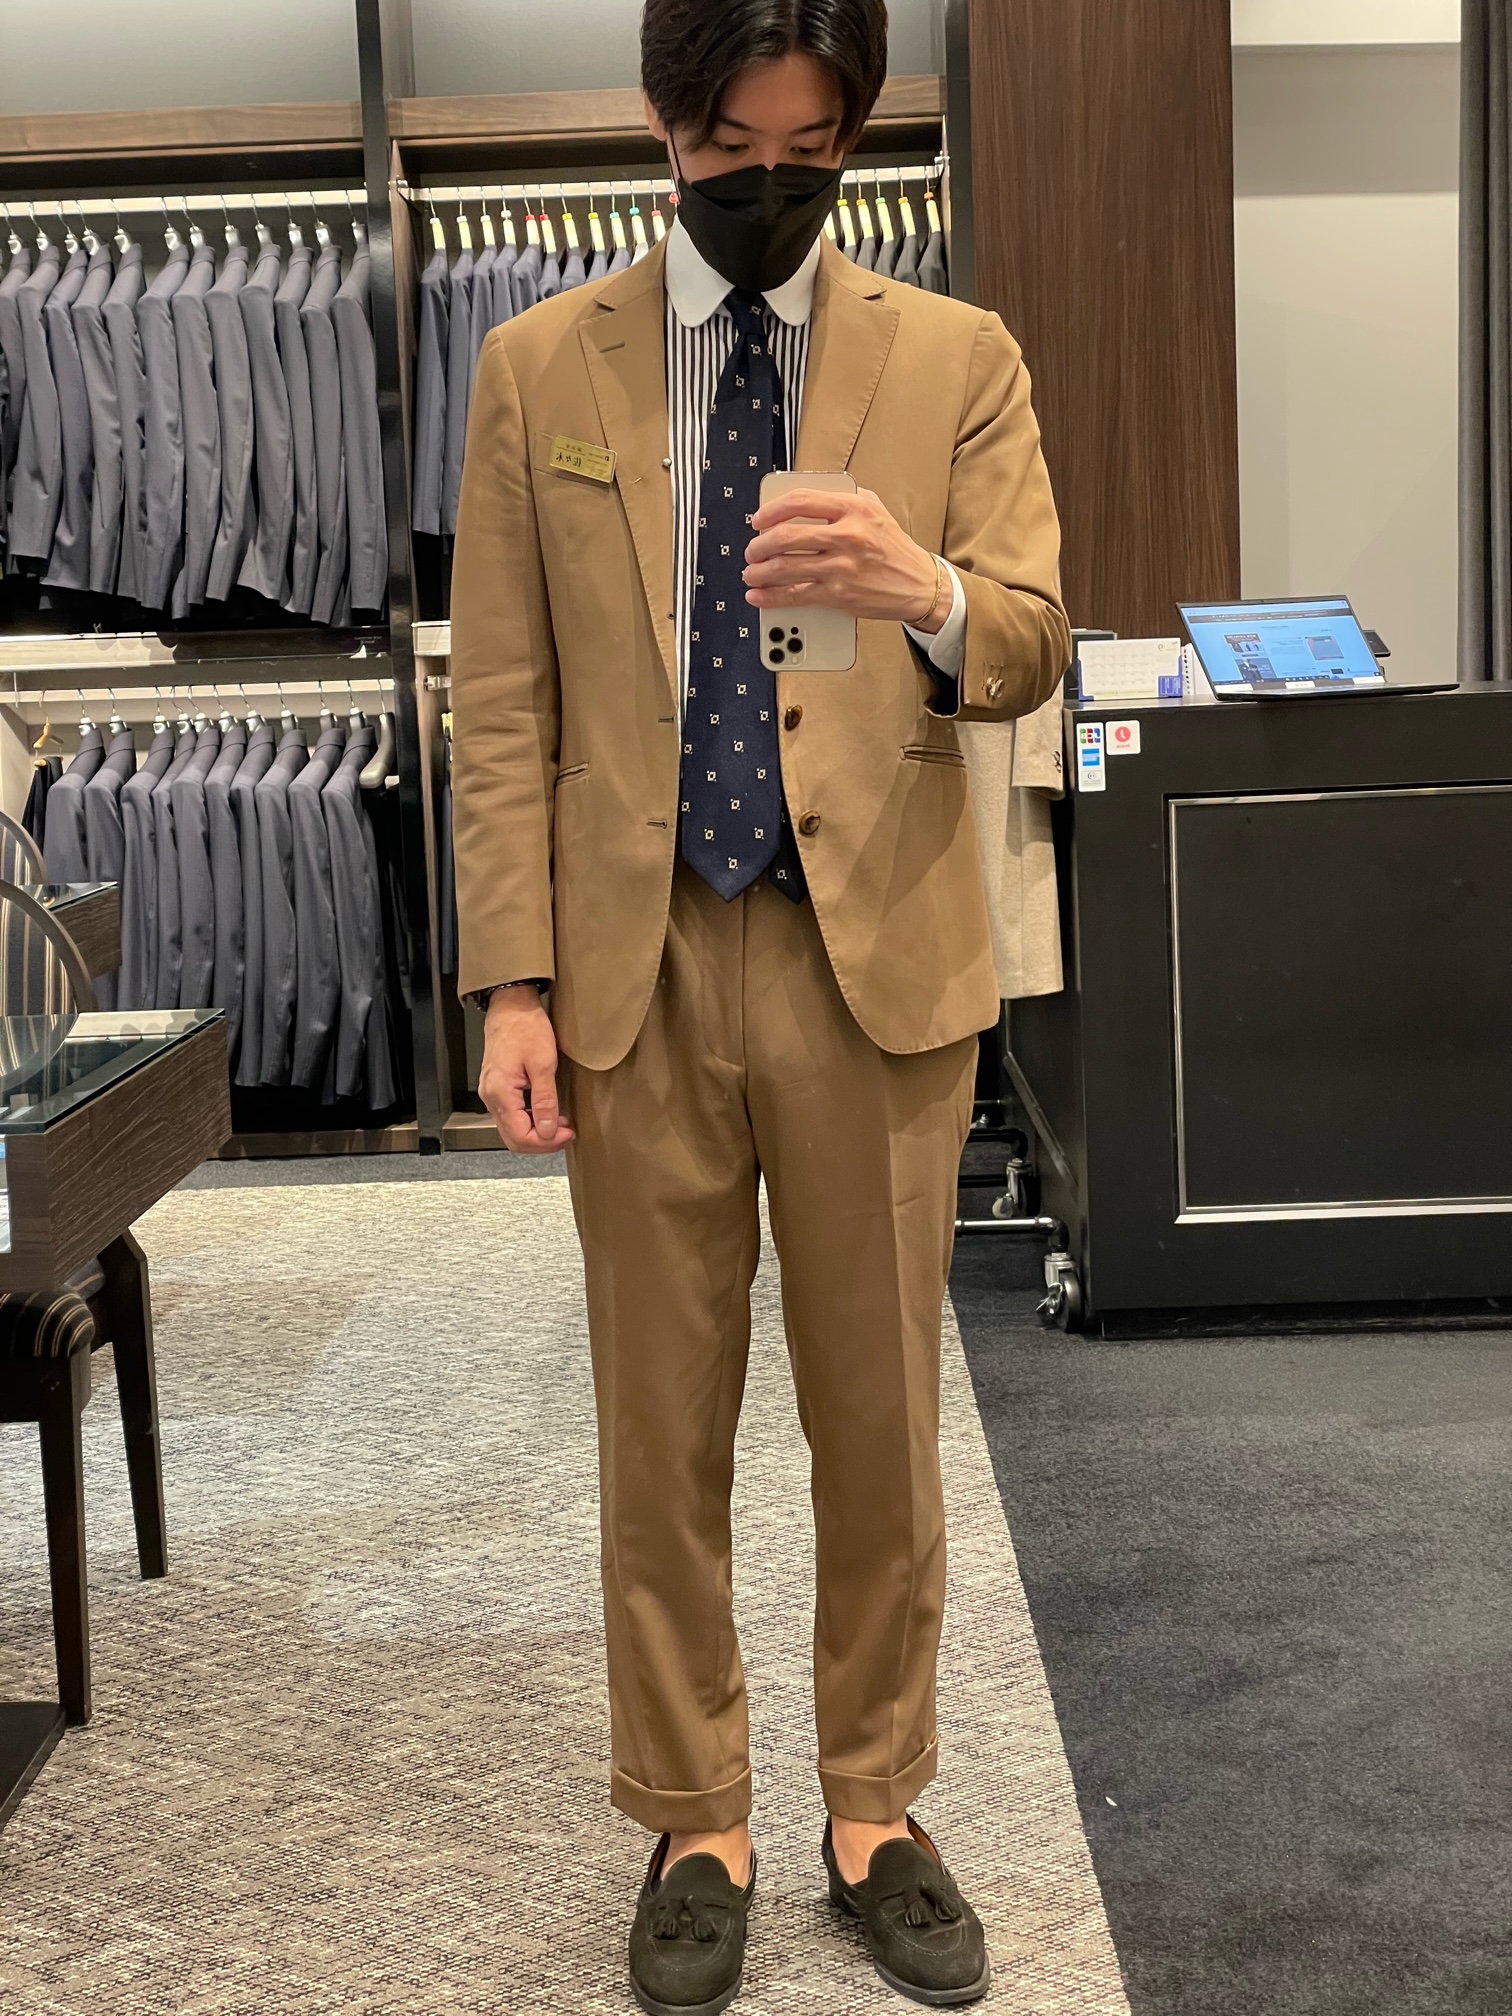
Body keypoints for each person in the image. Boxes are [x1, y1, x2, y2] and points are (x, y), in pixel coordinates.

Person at [450, 2, 1070, 2007]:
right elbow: (504, 701)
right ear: (665, 125)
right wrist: (511, 979)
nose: (769, 188)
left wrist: (923, 586)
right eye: (732, 150)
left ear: (855, 135)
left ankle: (874, 1806)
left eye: (812, 153)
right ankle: (692, 1812)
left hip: (870, 961)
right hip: (633, 967)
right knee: (661, 1424)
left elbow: (1035, 639)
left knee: (883, 1423)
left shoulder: (956, 357)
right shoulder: (538, 366)